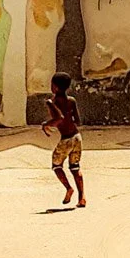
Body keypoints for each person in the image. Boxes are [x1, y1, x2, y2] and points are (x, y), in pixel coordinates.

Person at [41, 73, 85, 208]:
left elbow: (58, 118)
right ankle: (82, 198)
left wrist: (46, 125)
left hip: (66, 139)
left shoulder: (51, 102)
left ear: (54, 87)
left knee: (56, 165)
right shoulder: (72, 101)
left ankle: (68, 188)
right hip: (77, 137)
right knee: (75, 168)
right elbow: (78, 120)